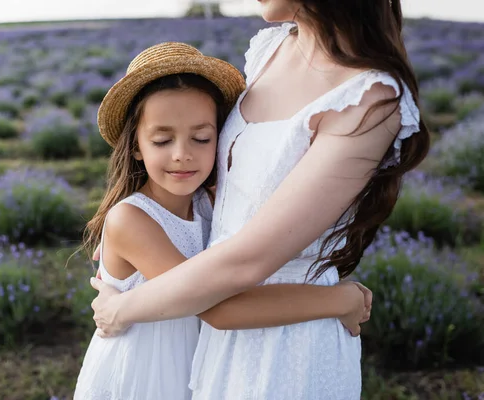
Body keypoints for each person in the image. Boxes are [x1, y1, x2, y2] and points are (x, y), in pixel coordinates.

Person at [89, 1, 431, 399]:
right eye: (163, 141)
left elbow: (243, 265)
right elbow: (243, 181)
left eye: (200, 138)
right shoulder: (273, 49)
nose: (183, 150)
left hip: (287, 339)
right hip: (210, 330)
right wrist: (143, 224)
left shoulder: (369, 95)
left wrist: (123, 306)